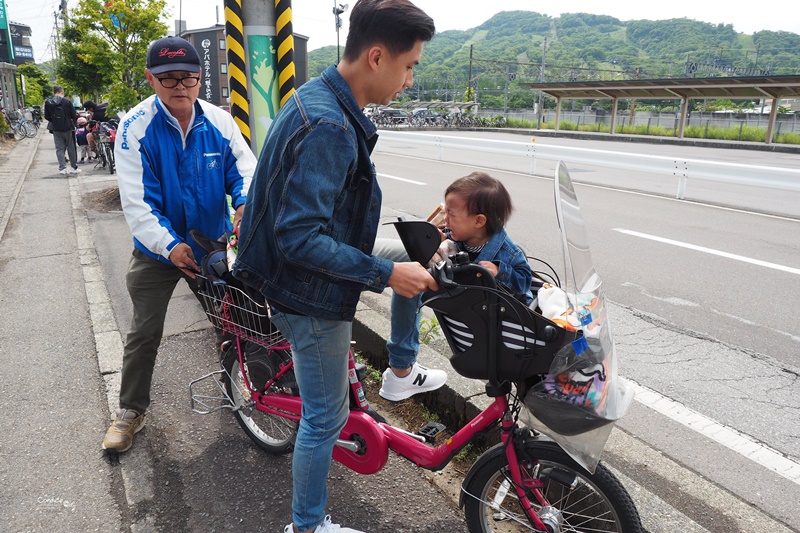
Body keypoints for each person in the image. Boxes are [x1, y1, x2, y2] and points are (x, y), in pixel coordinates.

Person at [233, 1, 436, 531]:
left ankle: (399, 371)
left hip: (296, 266)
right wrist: (386, 274)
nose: (410, 80)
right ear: (376, 57)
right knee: (326, 418)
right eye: (409, 65)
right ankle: (307, 525)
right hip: (305, 289)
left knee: (417, 259)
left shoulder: (318, 98)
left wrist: (406, 255)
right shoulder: (330, 125)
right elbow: (300, 238)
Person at [102, 36, 257, 453]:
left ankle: (245, 386)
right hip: (158, 251)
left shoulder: (219, 122)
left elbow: (245, 170)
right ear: (152, 80)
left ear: (200, 78)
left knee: (235, 318)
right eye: (168, 77)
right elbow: (136, 203)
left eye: (187, 77)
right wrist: (170, 246)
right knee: (144, 331)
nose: (179, 85)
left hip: (211, 244)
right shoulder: (135, 128)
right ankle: (130, 411)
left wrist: (244, 204)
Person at [376, 172, 533, 400]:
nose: (446, 219)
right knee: (409, 284)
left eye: (451, 214)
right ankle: (402, 364)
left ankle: (402, 369)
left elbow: (524, 282)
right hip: (469, 307)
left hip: (500, 317)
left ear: (479, 221)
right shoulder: (458, 236)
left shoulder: (508, 252)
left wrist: (501, 271)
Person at [43, 85, 80, 175]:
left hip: (56, 129)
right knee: (71, 148)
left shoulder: (48, 102)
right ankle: (73, 167)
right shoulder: (67, 101)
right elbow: (73, 115)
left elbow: (46, 116)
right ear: (62, 92)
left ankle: (62, 169)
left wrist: (54, 121)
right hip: (68, 128)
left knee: (59, 149)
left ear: (54, 92)